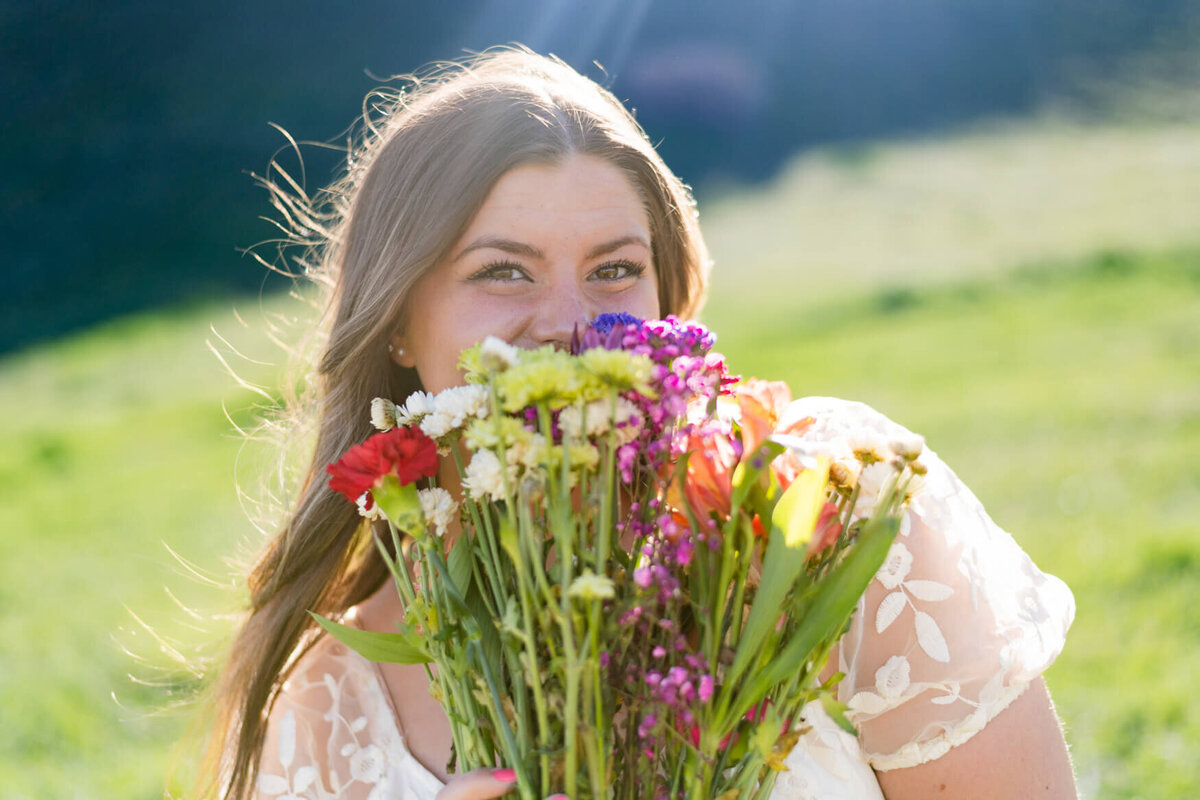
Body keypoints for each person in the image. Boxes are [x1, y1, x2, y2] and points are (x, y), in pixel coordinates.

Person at [199, 47, 1077, 800]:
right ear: (395, 320)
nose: (571, 325)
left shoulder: (839, 512)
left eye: (616, 269)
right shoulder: (328, 704)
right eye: (504, 273)